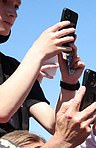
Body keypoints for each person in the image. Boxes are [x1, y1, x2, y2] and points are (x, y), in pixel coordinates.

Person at [0, 2, 83, 136]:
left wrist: (68, 83)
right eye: (4, 2)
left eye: (16, 6)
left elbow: (55, 125)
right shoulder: (22, 67)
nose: (13, 13)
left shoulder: (13, 68)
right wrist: (38, 52)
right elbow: (2, 109)